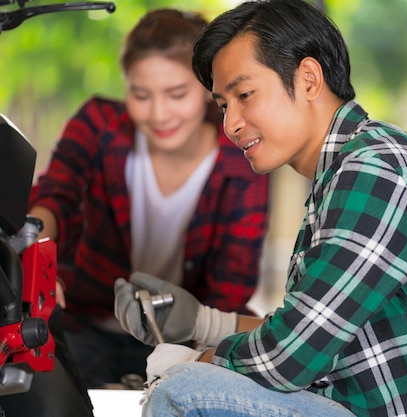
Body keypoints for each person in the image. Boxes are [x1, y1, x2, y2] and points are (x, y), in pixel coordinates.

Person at [114, 0, 407, 415]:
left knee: (185, 393)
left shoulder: (376, 169)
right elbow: (311, 331)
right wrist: (203, 324)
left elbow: (289, 358)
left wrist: (194, 361)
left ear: (307, 78)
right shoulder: (347, 170)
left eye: (244, 95)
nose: (230, 124)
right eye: (224, 105)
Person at [28, 8, 269, 388]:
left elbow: (230, 289)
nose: (159, 114)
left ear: (209, 90)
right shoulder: (97, 125)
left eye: (176, 94)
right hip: (84, 326)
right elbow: (56, 194)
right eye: (141, 94)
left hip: (181, 340)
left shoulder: (240, 163)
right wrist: (36, 250)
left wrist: (195, 356)